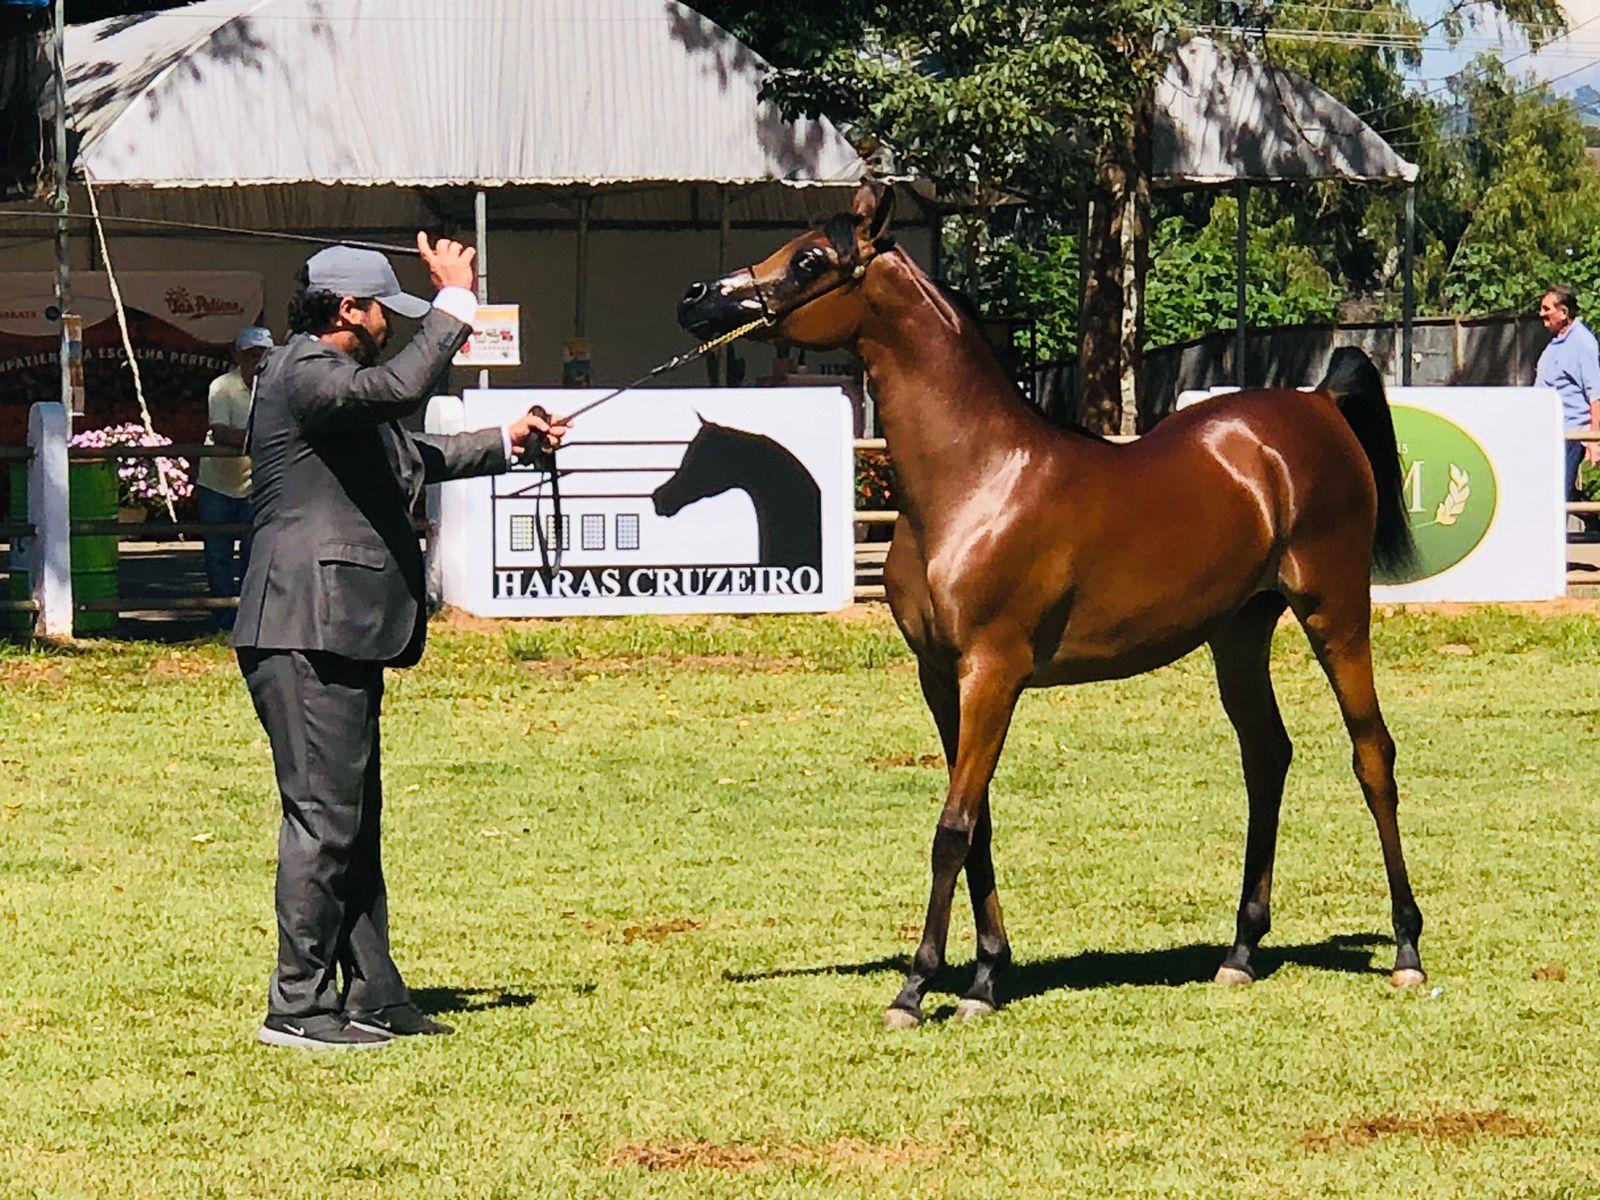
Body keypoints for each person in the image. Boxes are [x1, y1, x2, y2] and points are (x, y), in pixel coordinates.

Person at [234, 234, 567, 1050]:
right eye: (387, 311)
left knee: (352, 818)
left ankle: (374, 994)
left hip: (334, 625)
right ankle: (300, 1005)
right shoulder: (306, 371)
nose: (392, 326)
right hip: (305, 625)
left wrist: (508, 440)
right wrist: (457, 300)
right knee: (323, 819)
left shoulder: (338, 394)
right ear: (350, 309)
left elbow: (409, 456)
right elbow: (398, 388)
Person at [198, 325, 272, 631]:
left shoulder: (274, 386)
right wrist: (263, 438)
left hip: (255, 482)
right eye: (251, 355)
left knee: (256, 555)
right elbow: (221, 433)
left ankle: (251, 619)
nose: (257, 362)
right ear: (237, 356)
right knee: (218, 555)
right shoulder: (221, 386)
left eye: (262, 355)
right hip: (217, 482)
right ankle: (224, 620)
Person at [1535, 285, 1600, 526]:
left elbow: (1595, 393)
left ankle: (1551, 555)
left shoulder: (1583, 343)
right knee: (1554, 491)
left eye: (1546, 309)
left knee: (1557, 494)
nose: (1541, 313)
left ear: (1563, 312)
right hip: (1550, 433)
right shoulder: (1556, 343)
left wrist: (1594, 439)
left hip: (1570, 435)